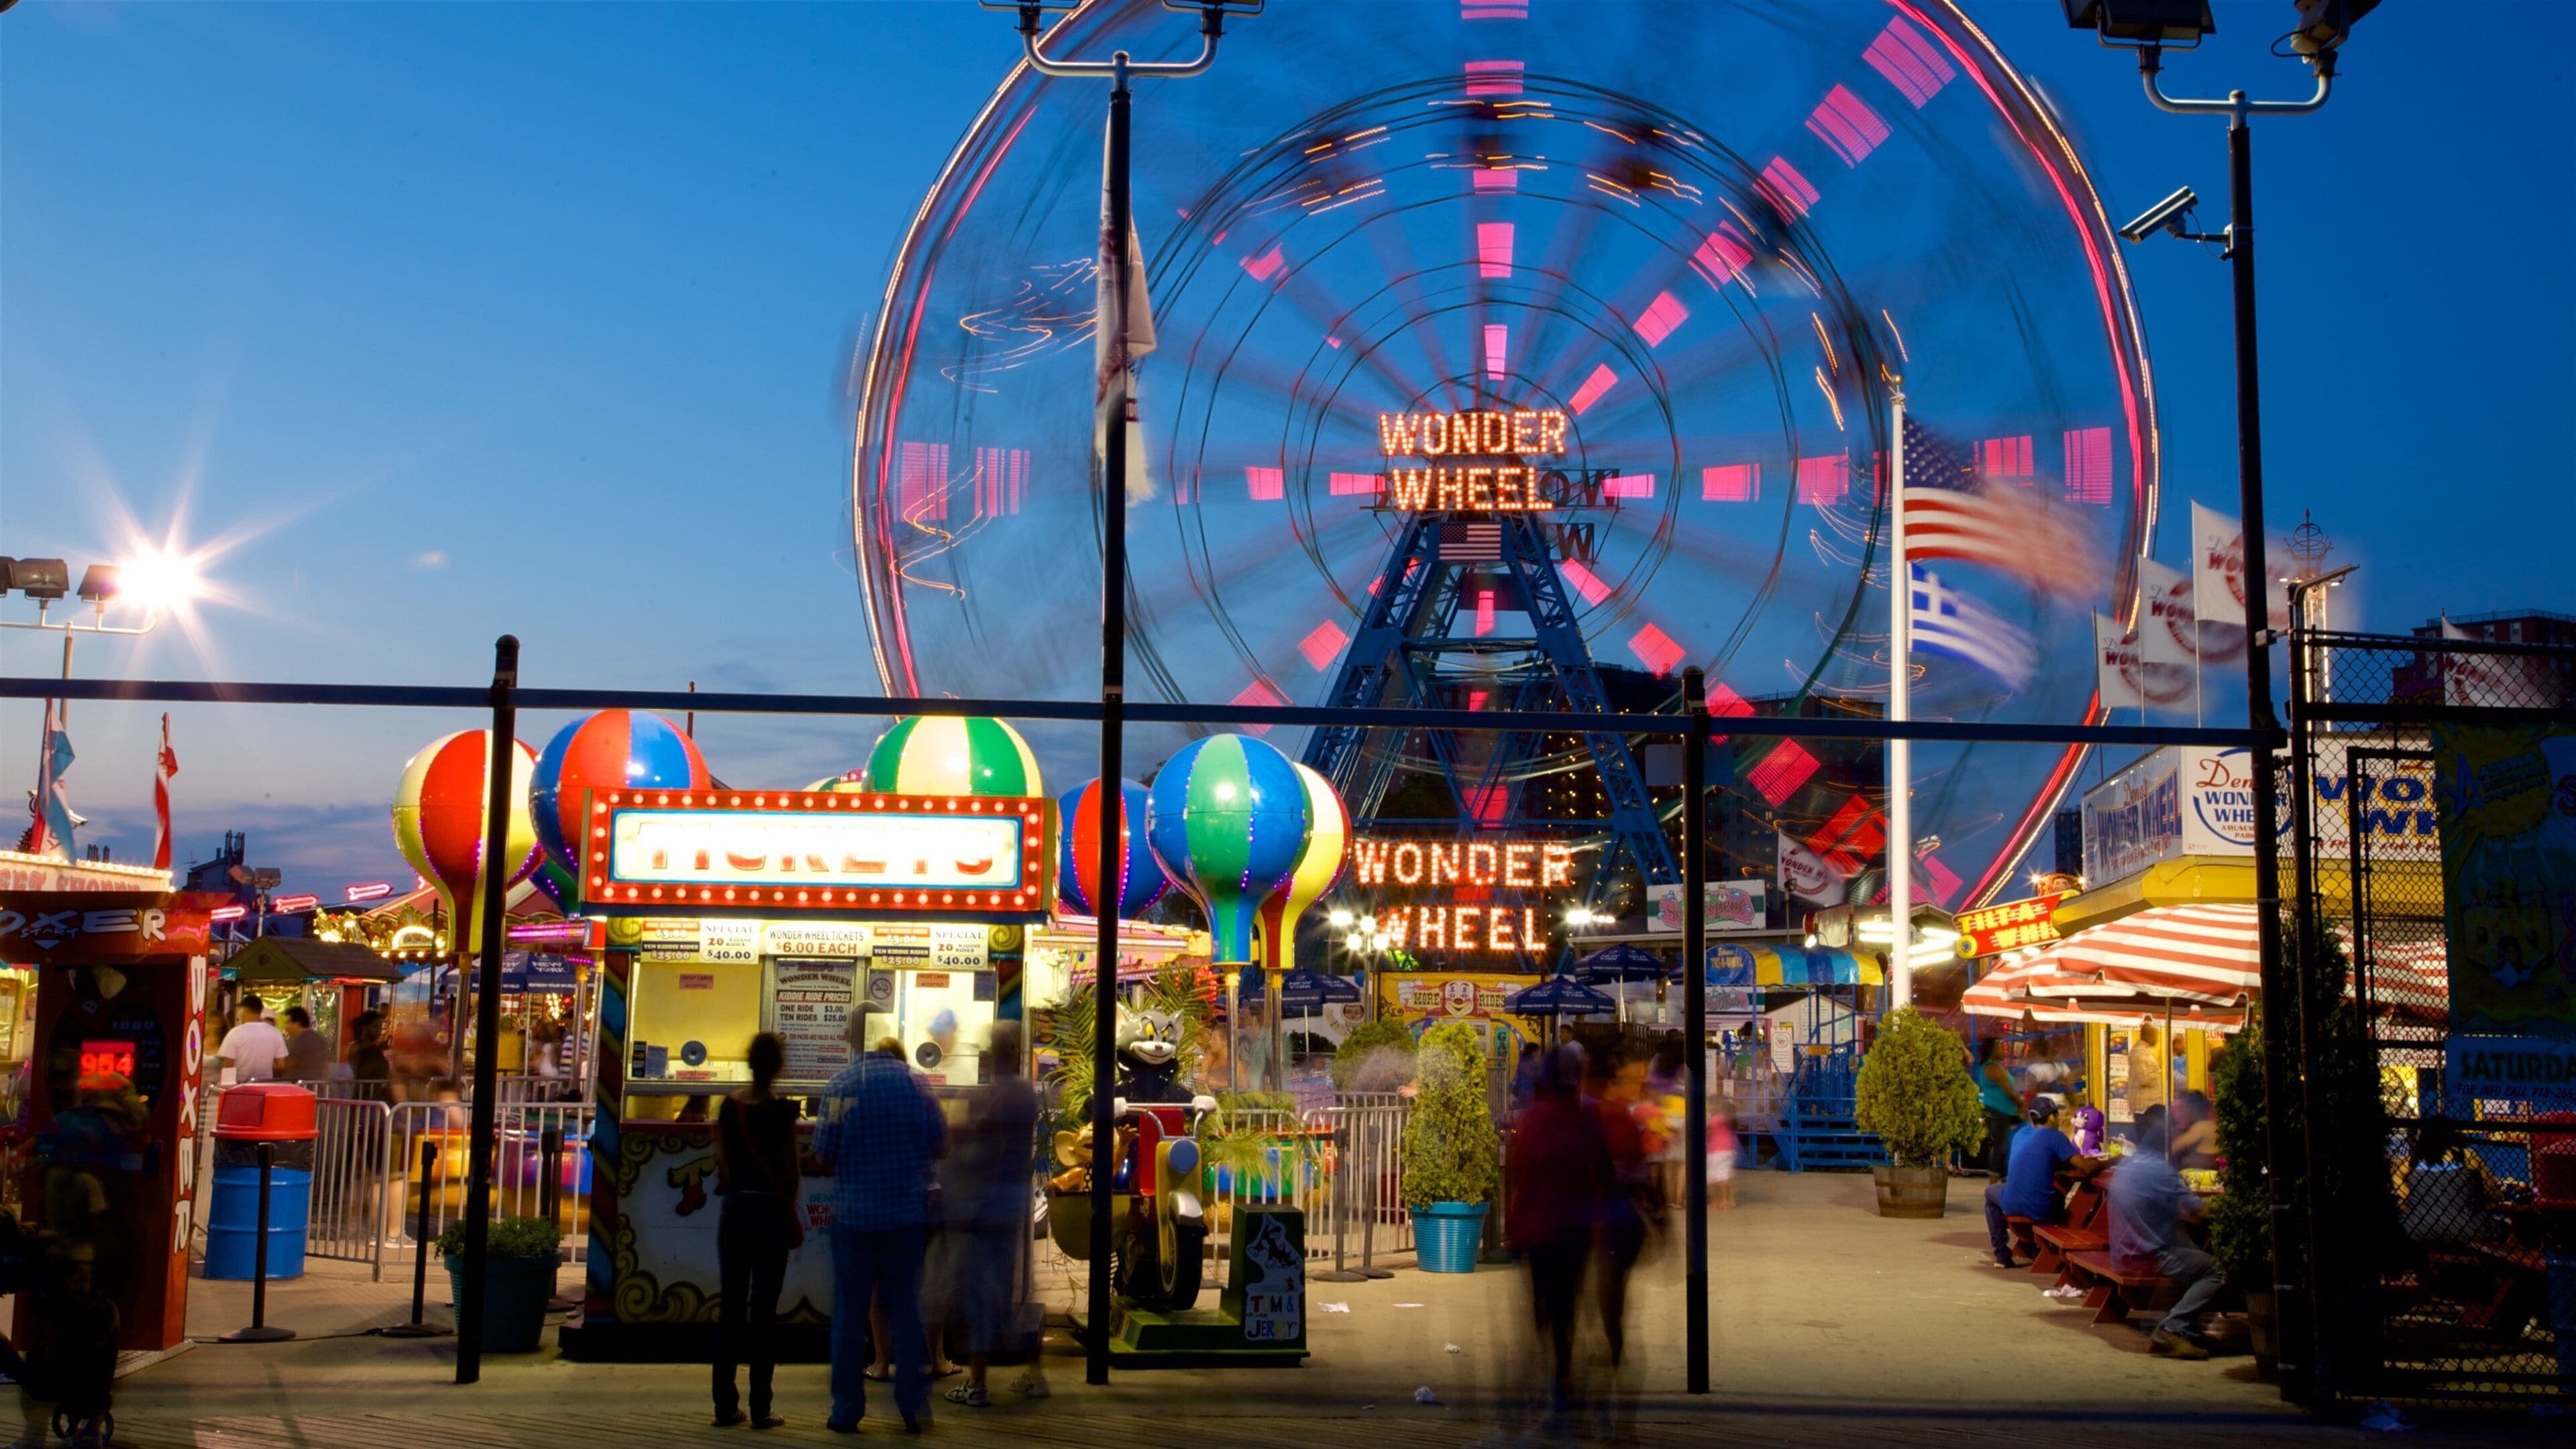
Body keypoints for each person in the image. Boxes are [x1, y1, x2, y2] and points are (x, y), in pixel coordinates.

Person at [812, 1004, 948, 1434]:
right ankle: (914, 1408)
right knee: (906, 1312)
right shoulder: (917, 1085)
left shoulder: (840, 1087)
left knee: (850, 1319)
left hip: (853, 1220)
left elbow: (823, 1155)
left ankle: (847, 1411)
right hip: (906, 1218)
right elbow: (941, 1145)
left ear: (853, 1039)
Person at [939, 1022, 1044, 1409]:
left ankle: (978, 1383)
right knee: (1004, 1293)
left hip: (984, 1203)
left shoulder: (990, 1096)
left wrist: (962, 1134)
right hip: (1012, 1199)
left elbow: (980, 1144)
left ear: (991, 1056)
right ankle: (1033, 1372)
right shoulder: (1025, 1094)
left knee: (981, 1295)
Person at [1506, 1042, 1609, 1412]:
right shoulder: (1586, 1120)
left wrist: (1514, 1229)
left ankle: (1545, 1369)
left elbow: (1520, 1177)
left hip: (1538, 1229)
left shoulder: (1532, 1122)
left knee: (1543, 1303)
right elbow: (1604, 1173)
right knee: (1567, 1304)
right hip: (1573, 1229)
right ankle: (1561, 1375)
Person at [712, 1032, 800, 1430]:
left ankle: (724, 1406)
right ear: (778, 1067)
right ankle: (761, 1407)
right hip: (769, 1214)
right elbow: (791, 1169)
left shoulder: (729, 1107)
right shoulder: (781, 1112)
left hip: (735, 1213)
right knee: (764, 1312)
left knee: (731, 1307)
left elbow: (722, 1163)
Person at [2104, 1105, 2224, 1358]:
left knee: (2191, 1250)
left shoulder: (2130, 1163)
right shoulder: (2161, 1171)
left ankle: (2187, 1330)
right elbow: (2200, 1211)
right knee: (2217, 1270)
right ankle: (2174, 1327)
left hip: (2124, 1248)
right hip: (2148, 1254)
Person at [1589, 1046, 1654, 1371]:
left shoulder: (1612, 1116)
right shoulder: (1612, 1116)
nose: (1641, 1087)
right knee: (1609, 1289)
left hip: (1610, 1218)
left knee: (1608, 1288)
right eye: (1635, 1079)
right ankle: (1611, 1345)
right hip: (1616, 1217)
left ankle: (1611, 1346)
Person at [1982, 1095, 2101, 1269]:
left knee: (1990, 1193)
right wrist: (2114, 1161)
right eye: (2057, 1115)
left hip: (2010, 1202)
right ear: (2052, 1117)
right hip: (2040, 1209)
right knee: (2059, 1196)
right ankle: (2049, 1246)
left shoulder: (2021, 1134)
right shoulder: (2055, 1136)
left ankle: (2001, 1255)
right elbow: (2087, 1168)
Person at [1972, 1038, 2019, 1179]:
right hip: (1999, 1110)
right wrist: (2021, 1102)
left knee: (2002, 1146)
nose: (2003, 1050)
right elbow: (2009, 1090)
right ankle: (1995, 1181)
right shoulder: (1993, 1068)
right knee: (2000, 1147)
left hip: (2002, 1110)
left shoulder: (1991, 1067)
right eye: (1999, 1047)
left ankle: (2003, 1178)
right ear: (1992, 1050)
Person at [217, 997, 287, 1083]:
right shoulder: (276, 1033)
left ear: (245, 1010)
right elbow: (281, 1065)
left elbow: (228, 1065)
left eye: (240, 1010)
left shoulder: (235, 1033)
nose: (239, 1013)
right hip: (265, 1086)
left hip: (240, 1087)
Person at [2165, 1088, 2218, 1171]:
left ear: (2193, 1109)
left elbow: (2174, 1148)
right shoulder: (2209, 1124)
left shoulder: (2203, 1126)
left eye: (2183, 1108)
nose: (2182, 1112)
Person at [277, 1006, 329, 1083]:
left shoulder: (298, 1039)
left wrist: (270, 1063)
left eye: (288, 1023)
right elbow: (325, 1066)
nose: (286, 1027)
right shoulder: (320, 1039)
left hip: (297, 1087)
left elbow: (288, 1064)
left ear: (297, 1024)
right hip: (315, 1086)